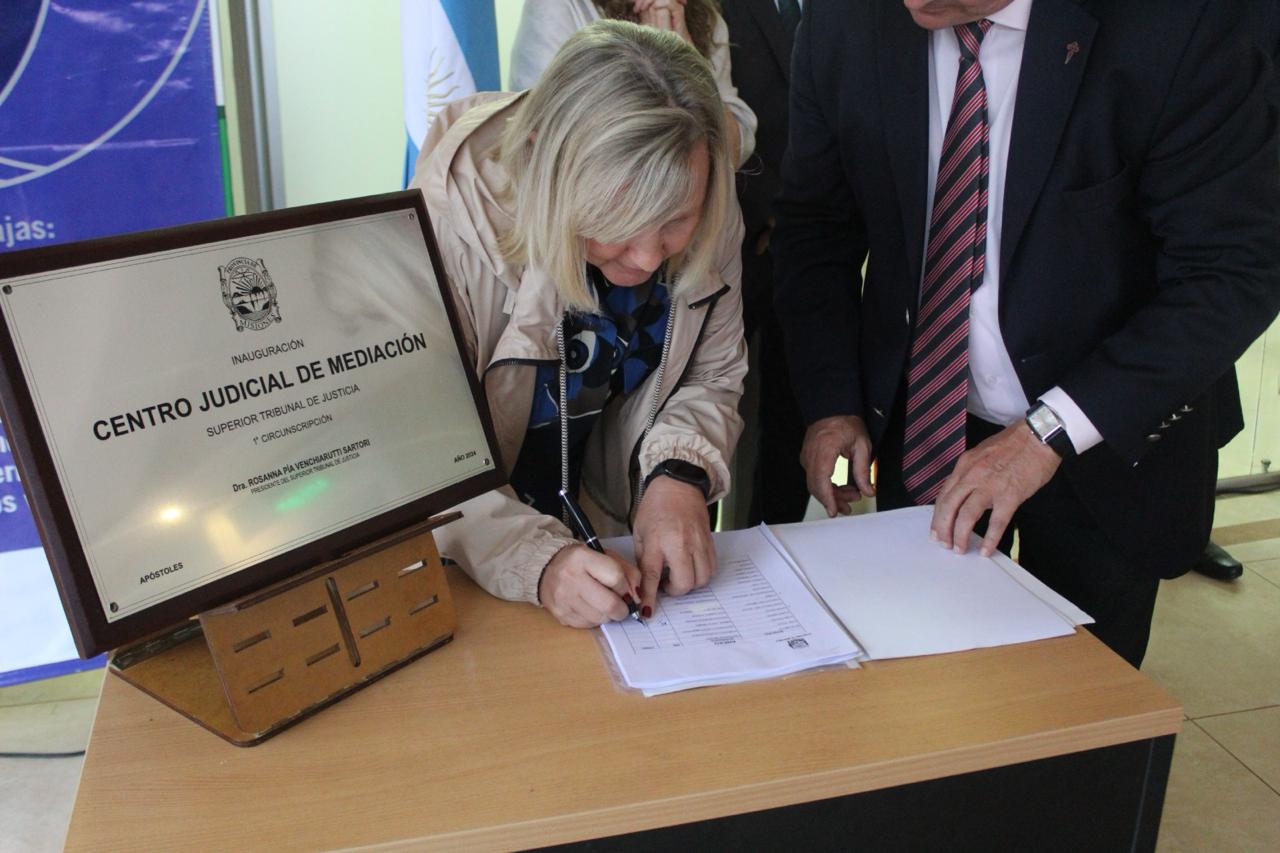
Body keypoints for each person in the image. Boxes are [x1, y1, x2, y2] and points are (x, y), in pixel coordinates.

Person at [772, 0, 1280, 668]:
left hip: (1101, 445)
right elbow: (815, 227)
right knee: (927, 694)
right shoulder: (848, 20)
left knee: (1074, 722)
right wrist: (833, 397)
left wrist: (1051, 430)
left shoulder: (1179, 25)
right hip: (928, 423)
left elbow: (1231, 271)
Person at [410, 20, 746, 628]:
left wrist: (677, 474)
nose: (648, 257)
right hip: (467, 566)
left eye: (675, 221)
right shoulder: (452, 227)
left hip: (607, 543)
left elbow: (712, 372)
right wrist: (536, 562)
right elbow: (423, 447)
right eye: (617, 220)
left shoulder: (708, 193)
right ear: (545, 165)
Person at [720, 0, 809, 525]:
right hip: (731, 243)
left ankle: (773, 547)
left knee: (790, 421)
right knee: (706, 410)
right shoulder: (713, 8)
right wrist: (771, 210)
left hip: (817, 250)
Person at [509, 0, 757, 167]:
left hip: (689, 221)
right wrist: (655, 60)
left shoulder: (706, 17)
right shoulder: (558, 7)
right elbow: (547, 147)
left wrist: (683, 50)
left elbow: (732, 154)